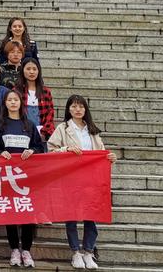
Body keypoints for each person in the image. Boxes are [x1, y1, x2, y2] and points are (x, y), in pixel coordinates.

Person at [48, 95, 118, 270]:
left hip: (91, 179)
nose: (77, 110)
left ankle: (88, 251)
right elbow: (51, 150)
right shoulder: (63, 128)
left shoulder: (92, 130)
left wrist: (110, 157)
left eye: (81, 106)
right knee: (71, 216)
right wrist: (66, 149)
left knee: (91, 214)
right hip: (70, 178)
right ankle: (75, 252)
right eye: (74, 106)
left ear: (85, 109)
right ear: (68, 109)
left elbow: (101, 152)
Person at [0, 90, 45, 268]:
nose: (13, 102)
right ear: (5, 103)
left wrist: (32, 151)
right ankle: (14, 248)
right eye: (10, 100)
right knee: (11, 212)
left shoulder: (29, 124)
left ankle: (26, 250)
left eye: (16, 100)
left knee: (27, 212)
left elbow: (39, 147)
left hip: (27, 176)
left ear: (21, 103)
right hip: (7, 176)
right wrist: (0, 152)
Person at [15, 58, 55, 140]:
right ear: (22, 70)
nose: (31, 72)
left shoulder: (45, 91)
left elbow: (50, 113)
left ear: (38, 71)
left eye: (34, 69)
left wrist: (43, 131)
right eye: (28, 69)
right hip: (22, 132)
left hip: (42, 132)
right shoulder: (16, 91)